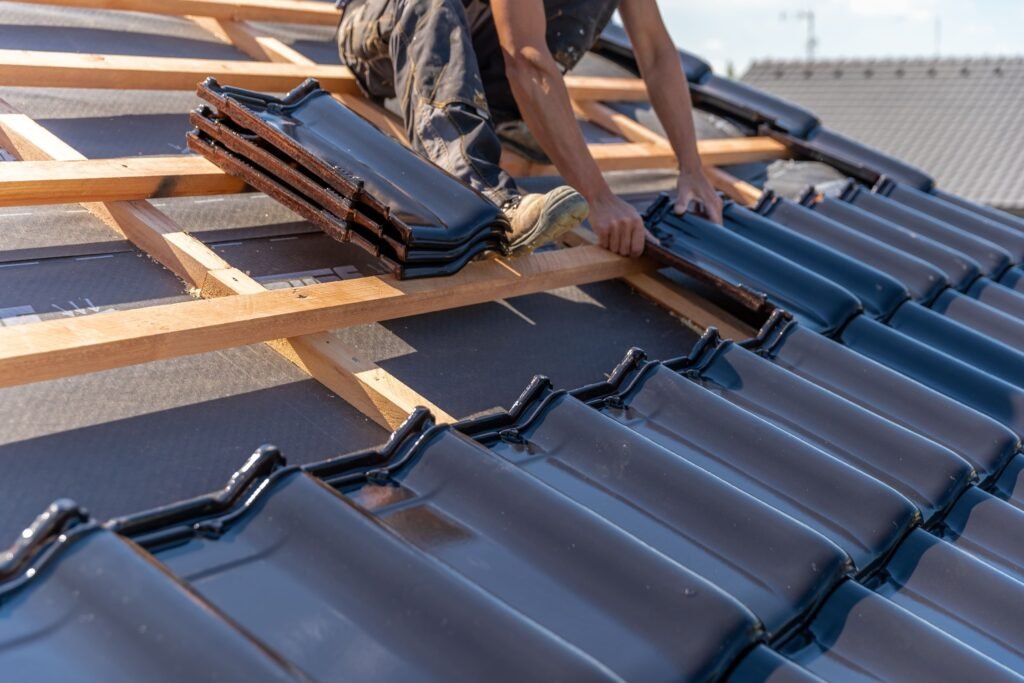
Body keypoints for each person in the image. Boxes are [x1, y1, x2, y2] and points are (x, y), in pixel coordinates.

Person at [337, 0, 723, 257]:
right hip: (386, 26)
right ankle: (481, 191)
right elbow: (524, 55)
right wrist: (599, 198)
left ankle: (507, 113)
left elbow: (655, 52)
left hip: (469, 41)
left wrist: (691, 169)